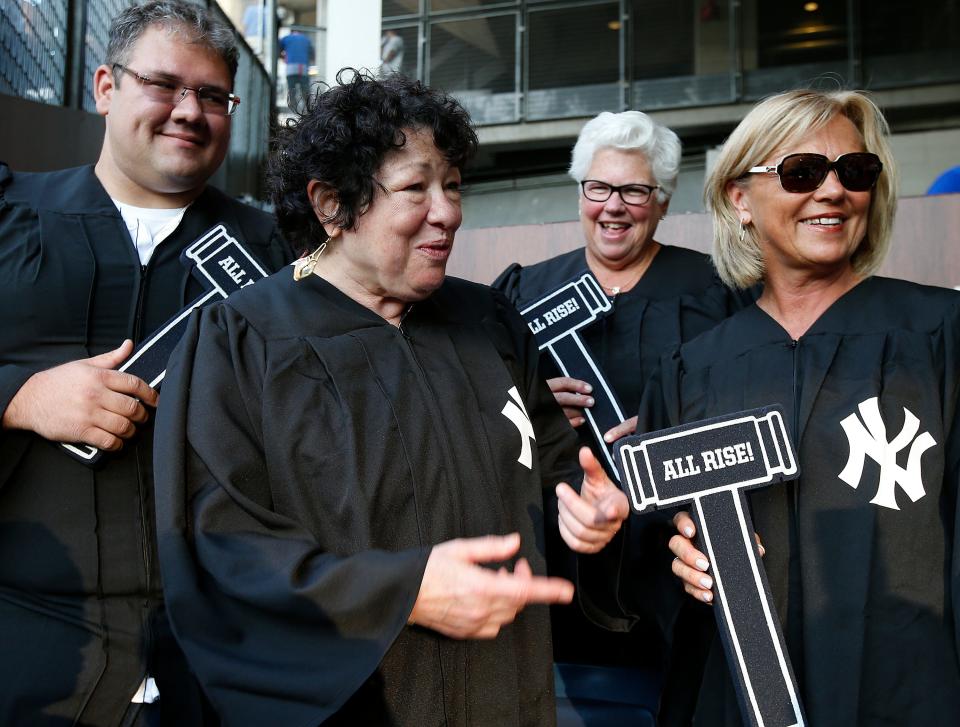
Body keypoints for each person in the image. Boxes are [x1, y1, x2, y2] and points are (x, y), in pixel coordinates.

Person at [153, 71, 629, 727]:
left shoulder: (490, 321)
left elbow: (557, 469)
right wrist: (401, 593)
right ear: (331, 204)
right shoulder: (246, 339)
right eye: (415, 188)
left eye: (454, 185)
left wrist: (587, 515)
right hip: (353, 703)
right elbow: (223, 544)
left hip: (504, 691)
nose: (449, 211)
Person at [0, 1, 293, 723]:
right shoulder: (13, 218)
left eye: (213, 96)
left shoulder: (281, 259)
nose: (188, 111)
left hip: (218, 657)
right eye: (163, 85)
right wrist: (20, 396)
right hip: (25, 642)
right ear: (105, 87)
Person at [661, 89, 960, 725]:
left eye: (855, 172)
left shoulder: (939, 334)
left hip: (909, 693)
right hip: (738, 695)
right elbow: (655, 563)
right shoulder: (695, 368)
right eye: (802, 172)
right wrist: (667, 544)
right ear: (740, 198)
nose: (833, 192)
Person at [492, 111, 746, 724]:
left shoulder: (716, 291)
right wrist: (526, 400)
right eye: (598, 188)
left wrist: (677, 429)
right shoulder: (523, 295)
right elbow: (479, 419)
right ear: (580, 192)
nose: (613, 206)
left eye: (634, 191)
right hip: (559, 551)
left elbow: (753, 407)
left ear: (661, 203)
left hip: (678, 554)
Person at [279, 28, 313, 110]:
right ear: (300, 32)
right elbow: (312, 54)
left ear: (291, 31)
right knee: (305, 90)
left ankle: (293, 109)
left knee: (292, 90)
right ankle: (308, 109)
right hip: (303, 68)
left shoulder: (286, 38)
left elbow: (278, 49)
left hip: (291, 69)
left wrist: (283, 57)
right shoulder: (306, 39)